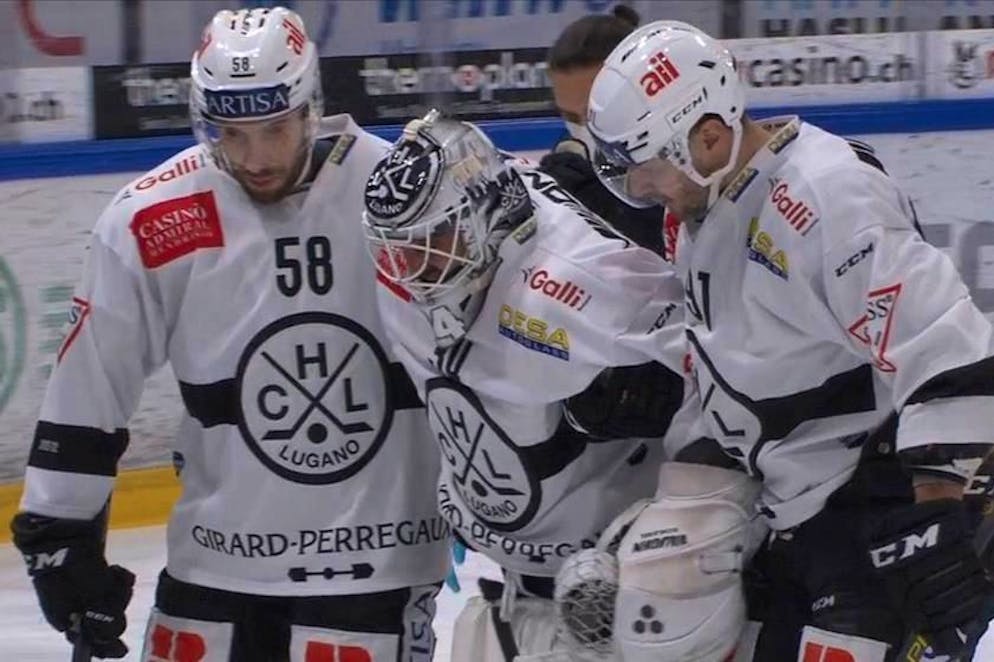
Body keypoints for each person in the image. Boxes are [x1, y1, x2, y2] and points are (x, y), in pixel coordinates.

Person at [9, 7, 449, 661]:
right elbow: (90, 384)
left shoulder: (403, 199)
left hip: (377, 565)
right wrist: (59, 528)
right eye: (232, 133)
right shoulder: (153, 218)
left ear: (311, 107)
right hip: (215, 566)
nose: (256, 157)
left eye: (275, 128)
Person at [586, 20, 994, 661]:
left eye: (649, 171)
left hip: (875, 506)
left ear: (708, 137)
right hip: (797, 515)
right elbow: (747, 349)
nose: (642, 191)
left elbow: (941, 340)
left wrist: (937, 519)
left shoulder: (824, 196)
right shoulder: (709, 205)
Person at [361, 109, 690, 660]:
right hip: (512, 592)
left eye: (430, 240)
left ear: (485, 216)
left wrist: (666, 402)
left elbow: (722, 354)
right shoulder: (423, 251)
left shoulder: (578, 283)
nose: (411, 266)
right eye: (398, 246)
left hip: (622, 595)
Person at [541, 5, 673, 257]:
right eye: (570, 117)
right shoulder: (572, 169)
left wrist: (609, 210)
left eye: (593, 113)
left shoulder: (692, 154)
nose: (583, 129)